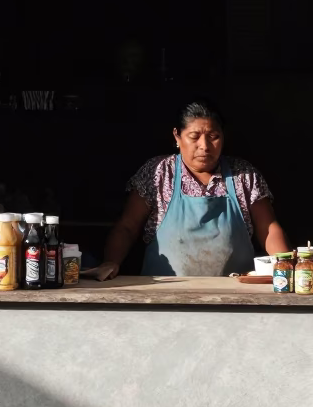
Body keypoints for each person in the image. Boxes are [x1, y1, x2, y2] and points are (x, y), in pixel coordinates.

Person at [85, 100, 292, 279]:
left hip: (234, 297)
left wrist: (286, 270)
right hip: (166, 297)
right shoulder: (158, 173)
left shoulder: (243, 175)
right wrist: (110, 262)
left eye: (213, 136)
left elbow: (269, 229)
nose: (204, 145)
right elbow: (127, 227)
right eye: (194, 136)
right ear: (177, 136)